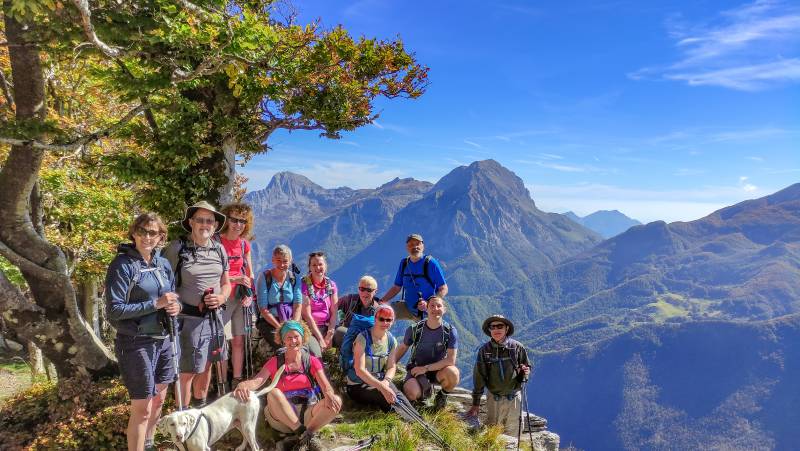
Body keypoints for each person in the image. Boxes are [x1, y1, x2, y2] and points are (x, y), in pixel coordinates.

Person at [105, 212, 180, 451]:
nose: (148, 237)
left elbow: (171, 296)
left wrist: (174, 306)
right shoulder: (122, 265)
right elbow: (114, 310)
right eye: (143, 231)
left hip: (163, 339)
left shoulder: (163, 264)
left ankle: (148, 444)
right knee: (143, 407)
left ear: (161, 236)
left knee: (158, 401)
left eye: (153, 233)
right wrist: (155, 304)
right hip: (135, 342)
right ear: (134, 233)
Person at [233, 320, 342, 451]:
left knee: (336, 400)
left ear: (303, 338)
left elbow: (326, 386)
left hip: (308, 414)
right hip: (281, 417)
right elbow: (257, 381)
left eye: (296, 337)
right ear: (283, 340)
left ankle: (304, 436)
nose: (293, 341)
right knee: (273, 393)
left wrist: (329, 394)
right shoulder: (275, 361)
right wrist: (242, 385)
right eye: (289, 338)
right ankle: (305, 435)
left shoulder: (311, 361)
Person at [164, 201, 231, 408]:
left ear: (215, 225)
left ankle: (200, 409)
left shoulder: (219, 249)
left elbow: (226, 283)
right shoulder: (177, 249)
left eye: (209, 221)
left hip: (215, 318)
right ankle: (182, 417)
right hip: (188, 320)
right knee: (187, 372)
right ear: (191, 222)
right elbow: (165, 285)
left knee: (207, 366)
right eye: (200, 220)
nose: (205, 224)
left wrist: (221, 298)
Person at [466, 315, 531, 439]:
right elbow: (479, 377)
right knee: (493, 434)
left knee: (514, 434)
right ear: (489, 330)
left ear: (506, 328)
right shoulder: (484, 351)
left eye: (500, 326)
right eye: (492, 327)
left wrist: (525, 373)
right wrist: (476, 403)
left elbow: (527, 366)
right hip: (493, 398)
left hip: (514, 398)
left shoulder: (517, 347)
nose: (496, 329)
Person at [395, 295, 459, 411]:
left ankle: (442, 396)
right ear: (426, 309)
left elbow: (450, 360)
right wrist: (389, 366)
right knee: (411, 392)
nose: (435, 309)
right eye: (432, 306)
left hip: (437, 370)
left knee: (453, 373)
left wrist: (426, 368)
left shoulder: (450, 331)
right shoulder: (415, 329)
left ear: (444, 309)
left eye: (439, 306)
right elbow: (402, 348)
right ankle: (422, 402)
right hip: (416, 370)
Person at [218, 202, 255, 387]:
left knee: (239, 340)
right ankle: (222, 382)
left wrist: (249, 291)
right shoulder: (217, 242)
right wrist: (235, 279)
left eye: (242, 221)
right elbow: (212, 274)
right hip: (223, 297)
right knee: (222, 341)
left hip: (240, 298)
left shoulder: (244, 245)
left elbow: (249, 273)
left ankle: (237, 380)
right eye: (234, 220)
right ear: (226, 219)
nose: (238, 225)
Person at [256, 245, 318, 353]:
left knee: (310, 349)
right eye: (278, 260)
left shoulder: (294, 278)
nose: (282, 264)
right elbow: (263, 308)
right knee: (285, 348)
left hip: (292, 320)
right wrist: (281, 328)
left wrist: (293, 325)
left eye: (285, 261)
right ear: (273, 260)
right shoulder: (265, 277)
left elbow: (297, 304)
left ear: (290, 261)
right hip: (270, 322)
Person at [379, 233, 448, 320]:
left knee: (427, 332)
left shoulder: (430, 263)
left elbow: (443, 288)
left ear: (423, 246)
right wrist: (382, 301)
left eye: (417, 244)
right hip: (407, 307)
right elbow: (396, 287)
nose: (415, 247)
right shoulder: (404, 263)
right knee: (380, 313)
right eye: (411, 244)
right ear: (407, 248)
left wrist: (430, 303)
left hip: (426, 312)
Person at [346, 304, 398, 412]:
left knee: (397, 396)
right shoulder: (362, 338)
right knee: (385, 397)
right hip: (357, 385)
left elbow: (391, 366)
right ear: (375, 319)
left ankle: (418, 422)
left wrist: (386, 382)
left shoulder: (391, 340)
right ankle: (401, 423)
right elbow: (359, 370)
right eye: (381, 319)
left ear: (392, 321)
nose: (385, 323)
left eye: (388, 320)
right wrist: (382, 387)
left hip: (380, 381)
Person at [301, 251, 338, 356]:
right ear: (309, 267)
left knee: (349, 339)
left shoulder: (331, 285)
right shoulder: (304, 285)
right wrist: (321, 339)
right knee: (316, 353)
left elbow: (334, 311)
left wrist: (330, 333)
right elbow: (306, 315)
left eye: (320, 264)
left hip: (327, 327)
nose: (318, 267)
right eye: (314, 265)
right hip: (310, 329)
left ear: (325, 266)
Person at [332, 275, 381, 349]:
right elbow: (332, 307)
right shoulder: (349, 300)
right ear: (358, 289)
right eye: (362, 289)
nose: (365, 293)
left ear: (375, 291)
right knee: (339, 331)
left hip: (365, 343)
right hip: (345, 337)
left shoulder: (378, 310)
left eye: (369, 290)